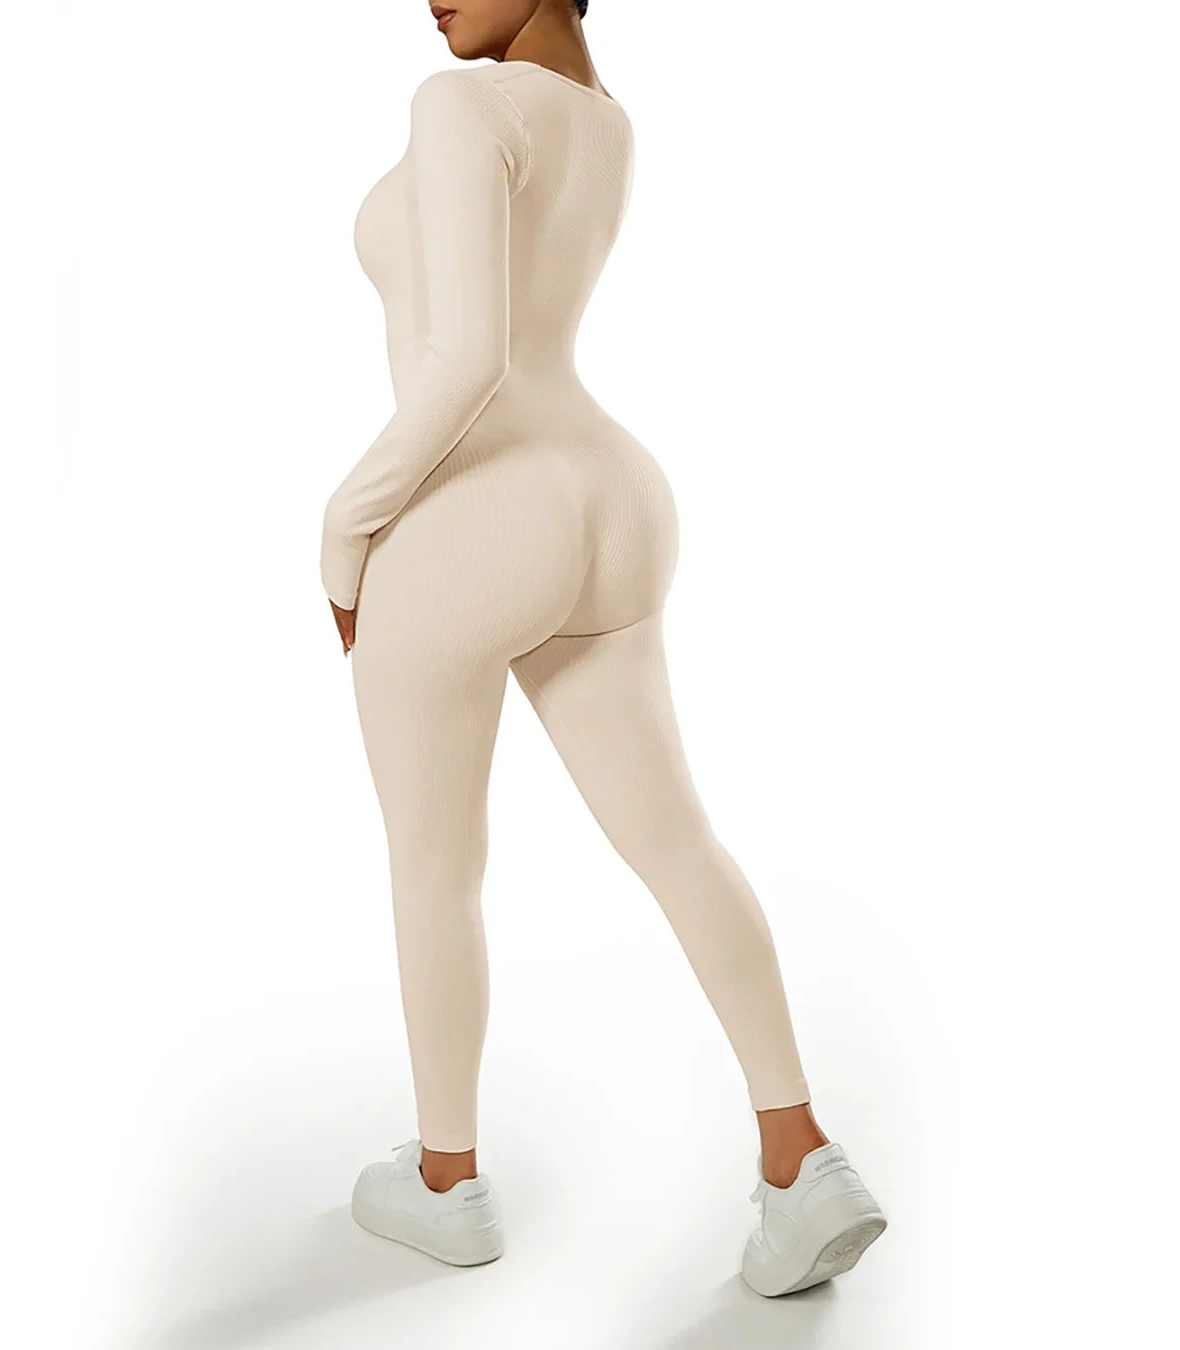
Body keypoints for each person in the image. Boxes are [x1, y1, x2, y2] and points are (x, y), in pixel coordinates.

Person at [320, 0, 886, 1297]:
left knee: (435, 864)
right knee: (677, 840)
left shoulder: (458, 104)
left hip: (474, 509)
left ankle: (447, 1182)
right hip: (613, 498)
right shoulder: (605, 123)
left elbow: (465, 360)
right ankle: (800, 1156)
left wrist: (342, 531)